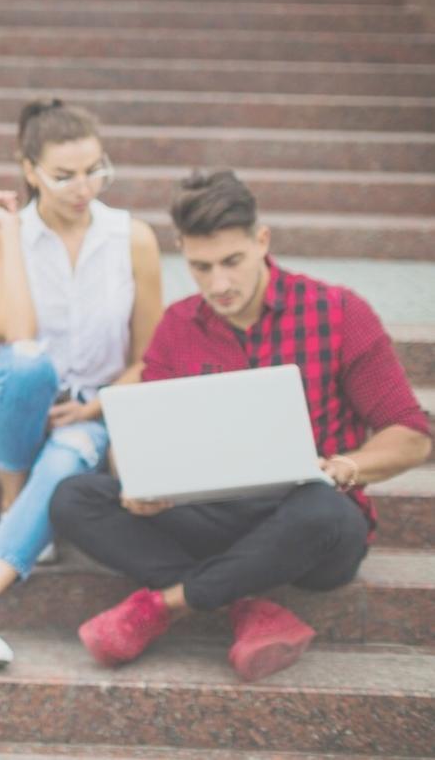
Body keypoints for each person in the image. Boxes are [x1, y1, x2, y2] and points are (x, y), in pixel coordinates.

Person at [51, 169, 432, 683]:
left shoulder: (339, 312)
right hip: (212, 516)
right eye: (200, 267)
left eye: (232, 262)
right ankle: (244, 606)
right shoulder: (178, 327)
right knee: (74, 497)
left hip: (312, 526)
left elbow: (410, 434)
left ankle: (165, 605)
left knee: (322, 508)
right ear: (183, 251)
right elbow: (137, 441)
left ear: (262, 240)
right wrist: (139, 482)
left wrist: (344, 467)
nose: (219, 284)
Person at [0, 99, 163, 667]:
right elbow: (18, 333)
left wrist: (94, 410)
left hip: (90, 411)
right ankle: (13, 493)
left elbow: (150, 360)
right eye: (64, 176)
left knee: (68, 456)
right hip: (10, 403)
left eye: (95, 170)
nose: (84, 187)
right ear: (29, 169)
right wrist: (12, 231)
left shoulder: (132, 238)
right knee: (32, 361)